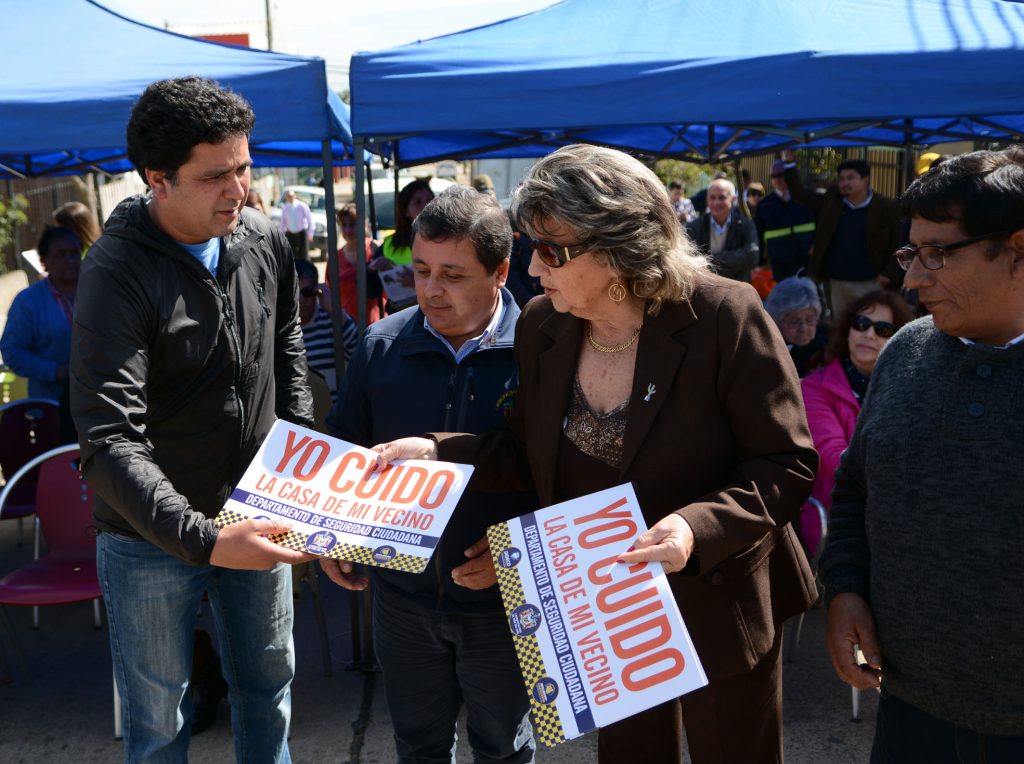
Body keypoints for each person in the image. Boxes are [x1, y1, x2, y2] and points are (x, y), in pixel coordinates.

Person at [368, 144, 819, 763]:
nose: (533, 263)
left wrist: (692, 529)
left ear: (620, 245)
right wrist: (437, 450)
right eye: (531, 243)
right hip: (610, 611)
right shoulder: (544, 323)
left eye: (552, 249)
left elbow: (784, 462)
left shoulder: (723, 314)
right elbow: (528, 455)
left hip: (717, 594)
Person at [70, 76, 314, 763]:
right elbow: (109, 438)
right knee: (159, 724)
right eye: (217, 176)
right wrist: (205, 540)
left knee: (269, 691)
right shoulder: (115, 273)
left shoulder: (262, 240)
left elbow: (287, 338)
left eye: (245, 166)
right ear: (158, 180)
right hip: (150, 538)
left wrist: (300, 467)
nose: (240, 188)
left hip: (258, 516)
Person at [820, 147, 1024, 761]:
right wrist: (846, 589)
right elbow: (855, 486)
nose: (911, 278)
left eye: (939, 253)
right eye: (913, 252)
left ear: (1018, 248)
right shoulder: (906, 350)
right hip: (910, 715)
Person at [322, 186, 536, 764]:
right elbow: (342, 449)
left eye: (452, 274)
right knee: (417, 747)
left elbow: (562, 473)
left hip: (507, 603)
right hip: (403, 601)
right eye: (420, 270)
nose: (431, 289)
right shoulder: (382, 343)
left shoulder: (544, 349)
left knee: (506, 749)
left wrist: (518, 556)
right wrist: (329, 534)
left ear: (501, 271)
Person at [799, 290, 911, 553]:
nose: (869, 334)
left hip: (896, 518)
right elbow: (833, 458)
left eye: (883, 329)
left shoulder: (908, 388)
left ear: (898, 339)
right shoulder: (816, 387)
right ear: (847, 330)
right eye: (861, 324)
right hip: (837, 516)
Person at [781, 149, 903, 317]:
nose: (845, 183)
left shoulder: (885, 207)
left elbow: (898, 242)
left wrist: (888, 274)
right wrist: (789, 163)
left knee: (868, 326)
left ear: (865, 179)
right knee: (839, 329)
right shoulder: (833, 201)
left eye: (850, 178)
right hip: (837, 282)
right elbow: (800, 195)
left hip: (870, 283)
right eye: (842, 179)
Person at [1, 225, 81, 400]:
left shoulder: (98, 292)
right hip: (53, 401)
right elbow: (12, 351)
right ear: (44, 262)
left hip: (99, 398)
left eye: (74, 253)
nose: (70, 260)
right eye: (60, 255)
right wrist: (55, 371)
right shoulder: (28, 302)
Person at [295, 258, 357, 400]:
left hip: (335, 414)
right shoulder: (281, 329)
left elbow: (360, 351)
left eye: (308, 292)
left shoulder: (333, 319)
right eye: (295, 293)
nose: (302, 300)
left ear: (317, 290)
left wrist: (335, 311)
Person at [370, 179, 435, 311]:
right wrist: (371, 269)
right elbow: (371, 291)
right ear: (406, 211)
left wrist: (418, 283)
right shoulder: (388, 246)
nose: (426, 205)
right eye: (417, 202)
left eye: (430, 199)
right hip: (402, 320)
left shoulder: (450, 241)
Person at [685, 177, 760, 281]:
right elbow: (689, 261)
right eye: (712, 197)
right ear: (707, 199)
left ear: (733, 199)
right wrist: (732, 263)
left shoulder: (745, 225)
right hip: (706, 288)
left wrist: (715, 259)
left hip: (737, 288)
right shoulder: (695, 227)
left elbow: (752, 257)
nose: (716, 202)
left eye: (722, 197)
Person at [754, 159, 817, 282]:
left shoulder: (806, 197)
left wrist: (816, 245)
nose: (778, 179)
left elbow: (820, 223)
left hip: (805, 257)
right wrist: (761, 261)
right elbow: (758, 233)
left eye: (781, 175)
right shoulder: (764, 204)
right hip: (779, 260)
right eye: (774, 176)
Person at [763, 274, 827, 377]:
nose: (803, 328)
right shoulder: (765, 349)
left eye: (810, 320)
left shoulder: (827, 347)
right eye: (794, 321)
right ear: (777, 321)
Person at [334, 202, 383, 325]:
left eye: (352, 224)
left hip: (377, 324)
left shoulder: (375, 249)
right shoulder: (335, 258)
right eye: (344, 225)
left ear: (364, 225)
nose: (348, 230)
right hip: (346, 327)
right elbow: (332, 295)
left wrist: (379, 255)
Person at [278, 187, 314, 261]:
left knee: (304, 255)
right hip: (290, 234)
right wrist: (281, 235)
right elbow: (282, 223)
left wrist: (310, 234)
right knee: (292, 256)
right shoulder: (285, 208)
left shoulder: (302, 206)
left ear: (294, 196)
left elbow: (310, 220)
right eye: (288, 196)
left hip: (302, 233)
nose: (290, 198)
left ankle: (305, 271)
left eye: (291, 196)